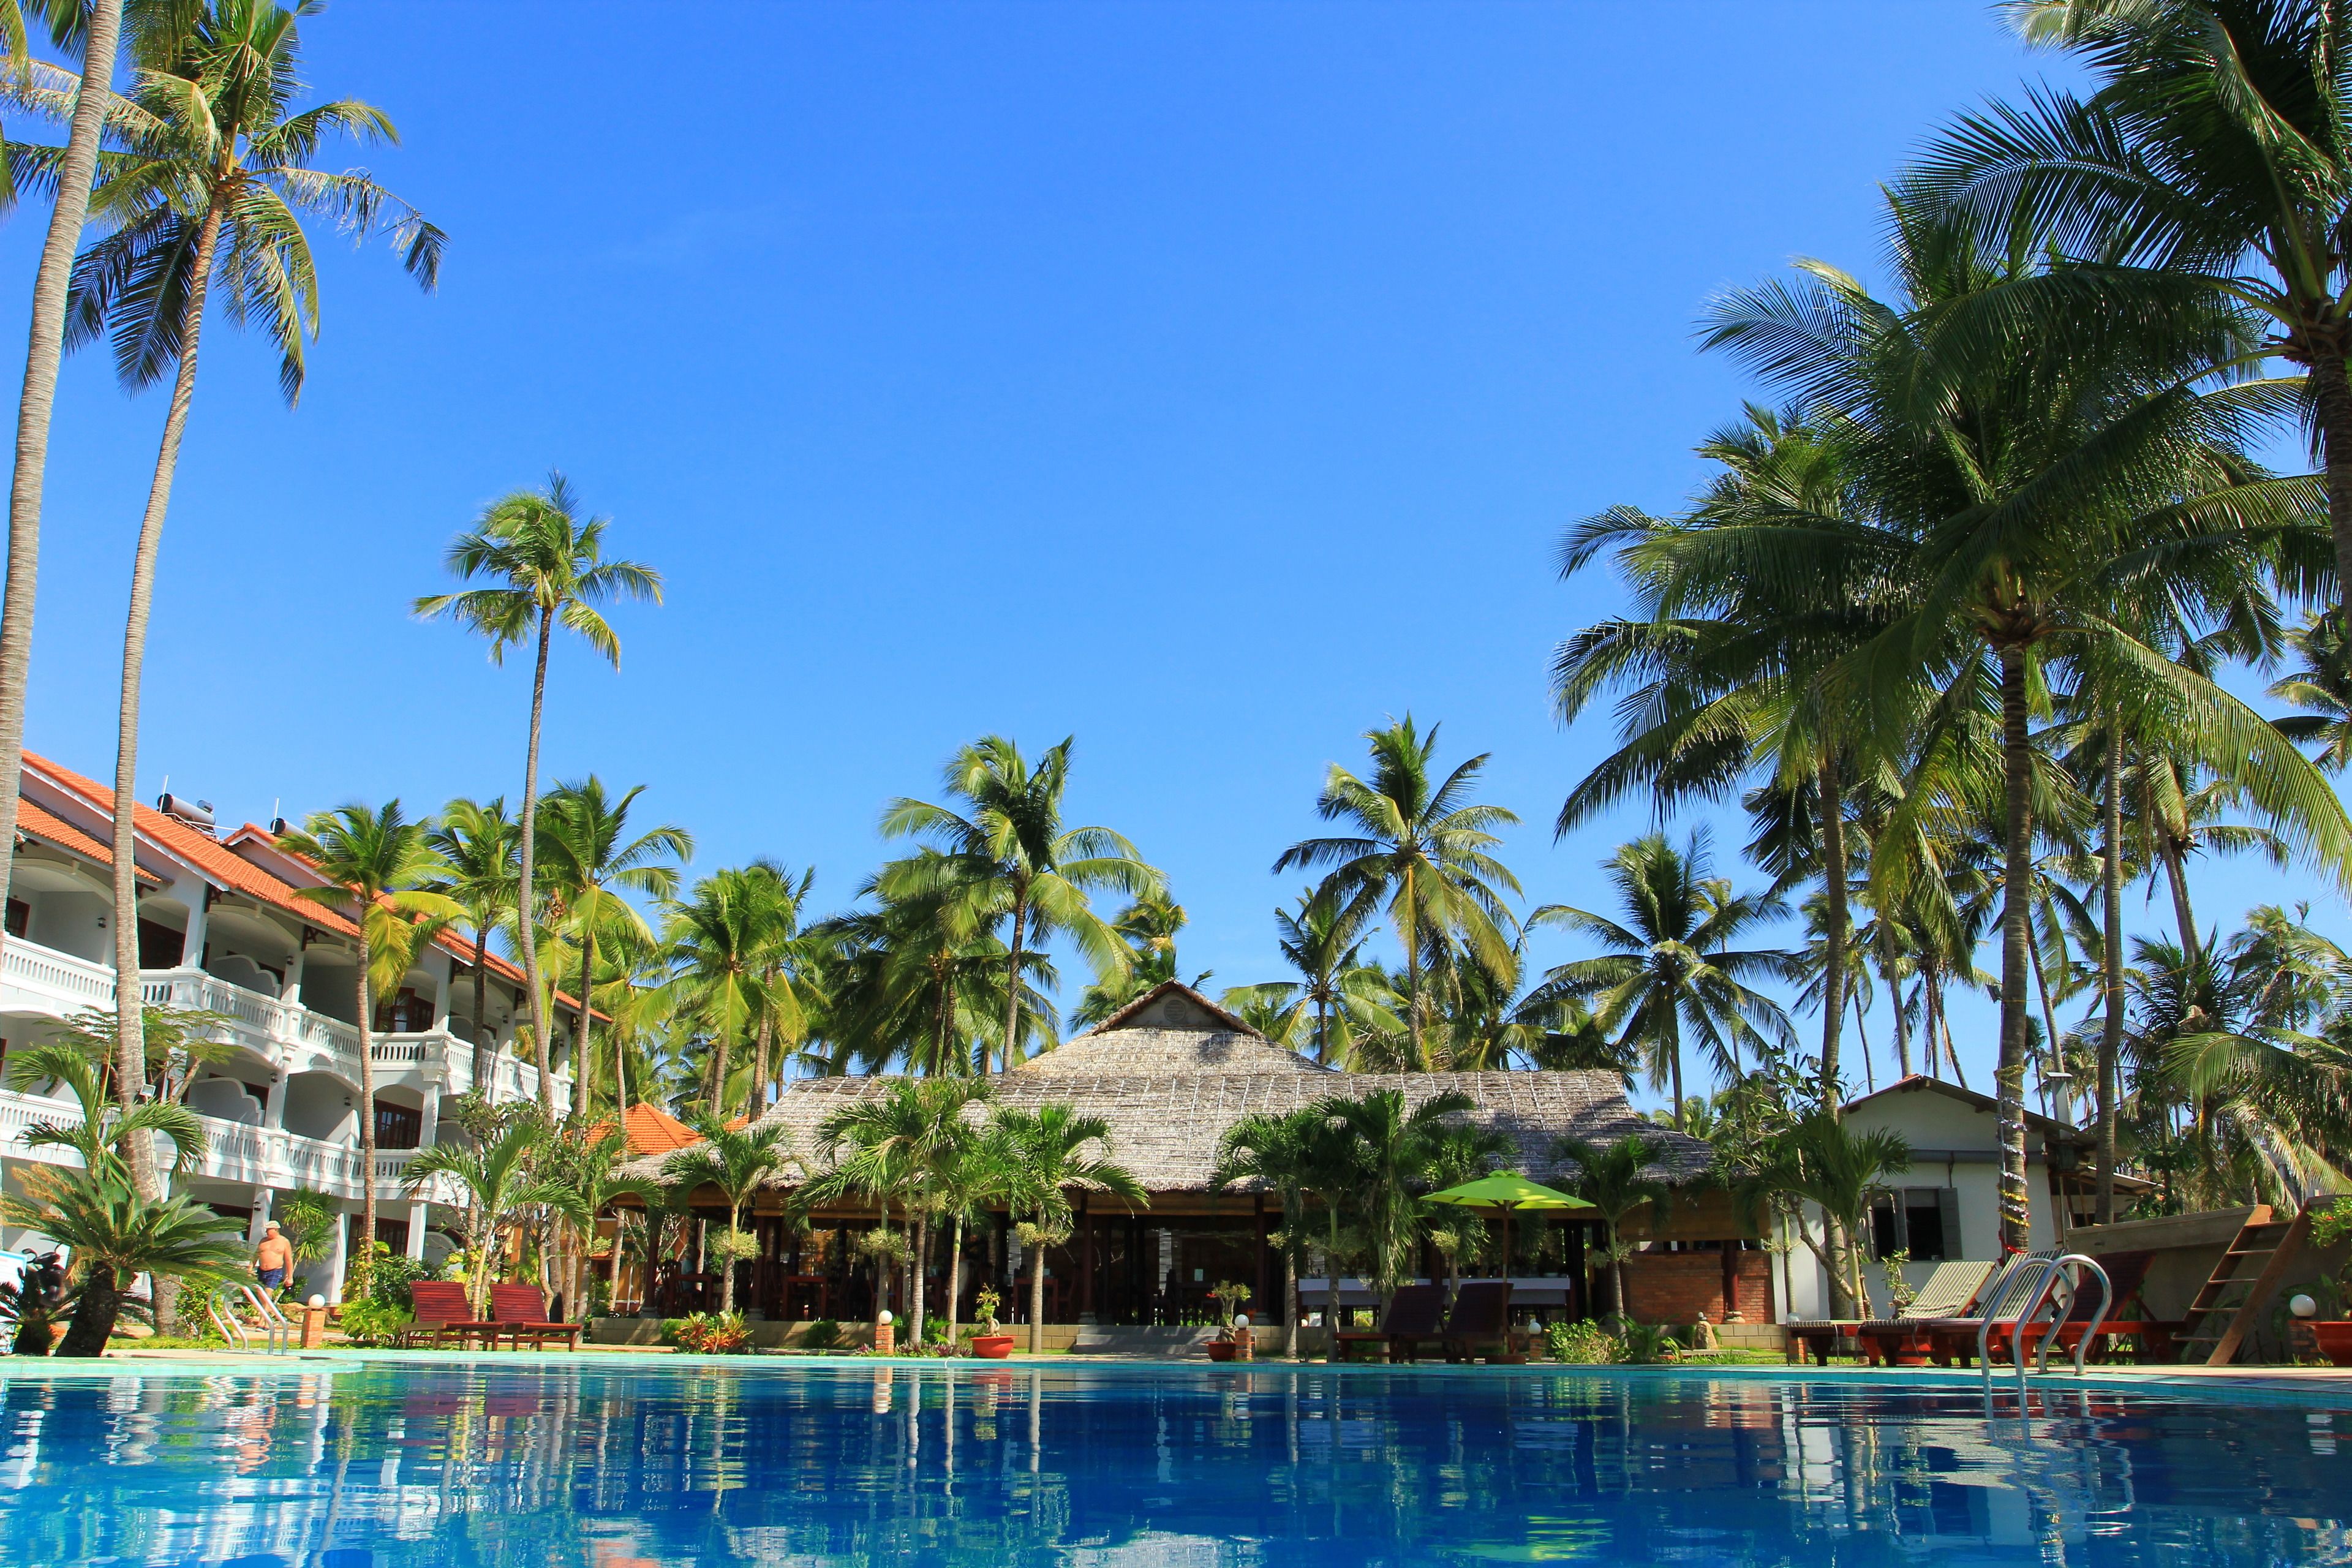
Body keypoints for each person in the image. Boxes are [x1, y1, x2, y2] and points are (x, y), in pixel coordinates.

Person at [254, 1223, 293, 1292]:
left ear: (275, 1230)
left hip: (275, 1271)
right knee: (259, 1292)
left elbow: (289, 1260)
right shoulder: (263, 1241)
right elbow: (256, 1255)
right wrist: (250, 1268)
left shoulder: (284, 1242)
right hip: (261, 1271)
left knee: (268, 1292)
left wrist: (290, 1277)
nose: (266, 1232)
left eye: (268, 1230)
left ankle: (267, 1299)